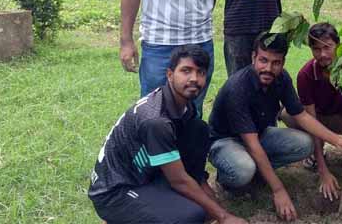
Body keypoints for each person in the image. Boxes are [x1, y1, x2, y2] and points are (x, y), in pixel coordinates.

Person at [89, 45, 247, 224]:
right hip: (115, 192)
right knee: (191, 216)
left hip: (146, 176)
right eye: (186, 71)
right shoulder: (156, 121)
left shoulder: (184, 105)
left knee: (198, 129)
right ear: (170, 75)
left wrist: (210, 198)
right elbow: (179, 180)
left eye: (200, 72)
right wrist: (223, 216)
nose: (194, 78)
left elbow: (188, 167)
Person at [208, 33, 342, 222]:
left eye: (276, 62)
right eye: (263, 60)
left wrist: (336, 140)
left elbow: (301, 116)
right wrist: (278, 190)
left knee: (305, 143)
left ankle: (259, 172)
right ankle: (227, 181)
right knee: (243, 169)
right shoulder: (237, 88)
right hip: (226, 142)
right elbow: (252, 144)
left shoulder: (282, 79)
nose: (268, 68)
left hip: (260, 135)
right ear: (253, 57)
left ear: (283, 62)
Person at [279, 22, 342, 202]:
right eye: (316, 49)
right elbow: (310, 119)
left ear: (338, 45)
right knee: (288, 114)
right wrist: (323, 171)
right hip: (318, 119)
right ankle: (315, 153)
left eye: (328, 47)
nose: (323, 54)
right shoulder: (306, 75)